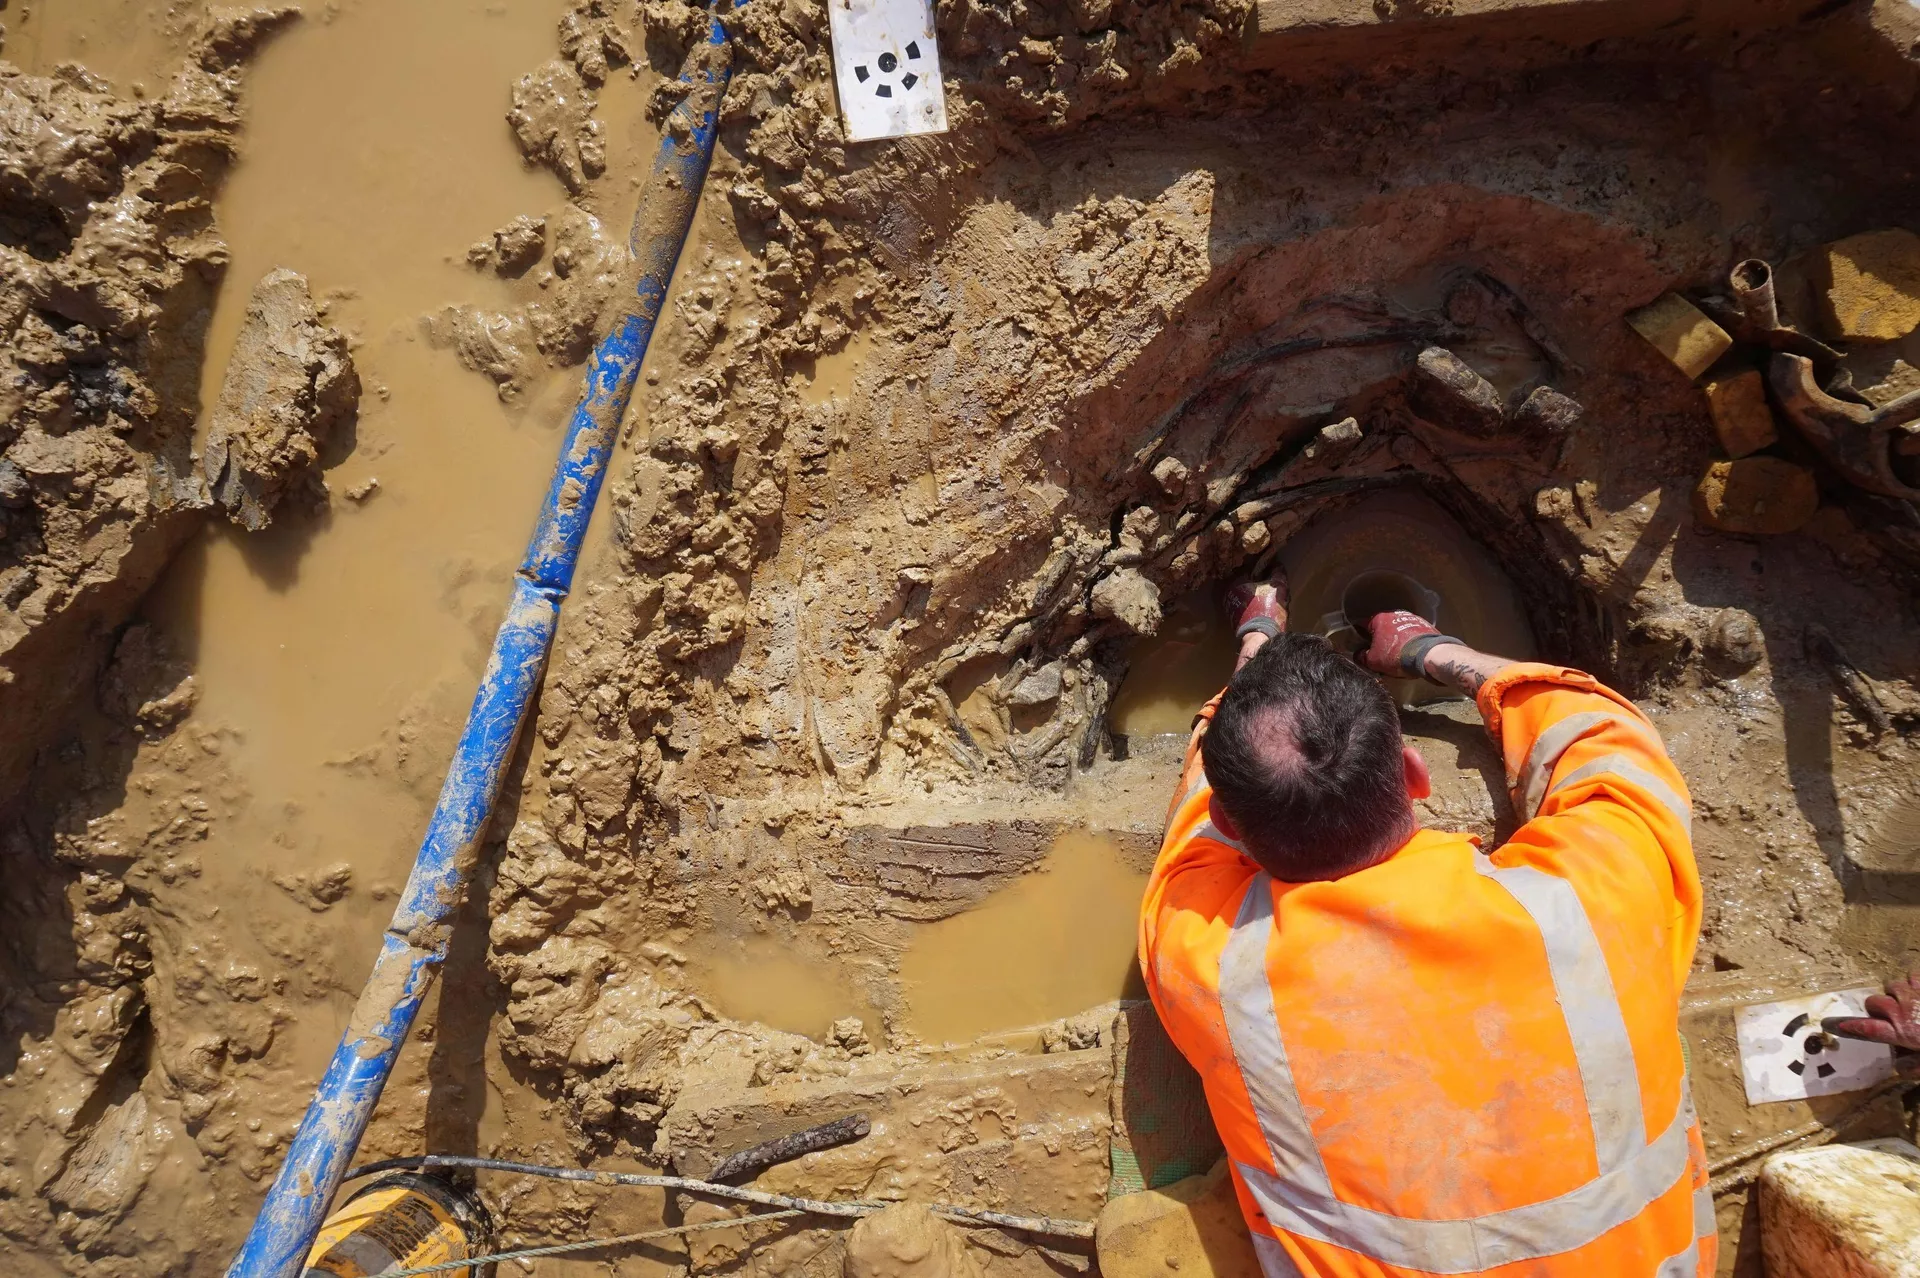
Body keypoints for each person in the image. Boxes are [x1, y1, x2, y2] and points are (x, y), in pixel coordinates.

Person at [1139, 574, 1716, 1277]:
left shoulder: (1211, 967)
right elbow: (1605, 736)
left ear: (1234, 825)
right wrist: (1433, 653)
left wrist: (1256, 650)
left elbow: (1195, 834)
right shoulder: (1597, 900)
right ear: (1415, 775)